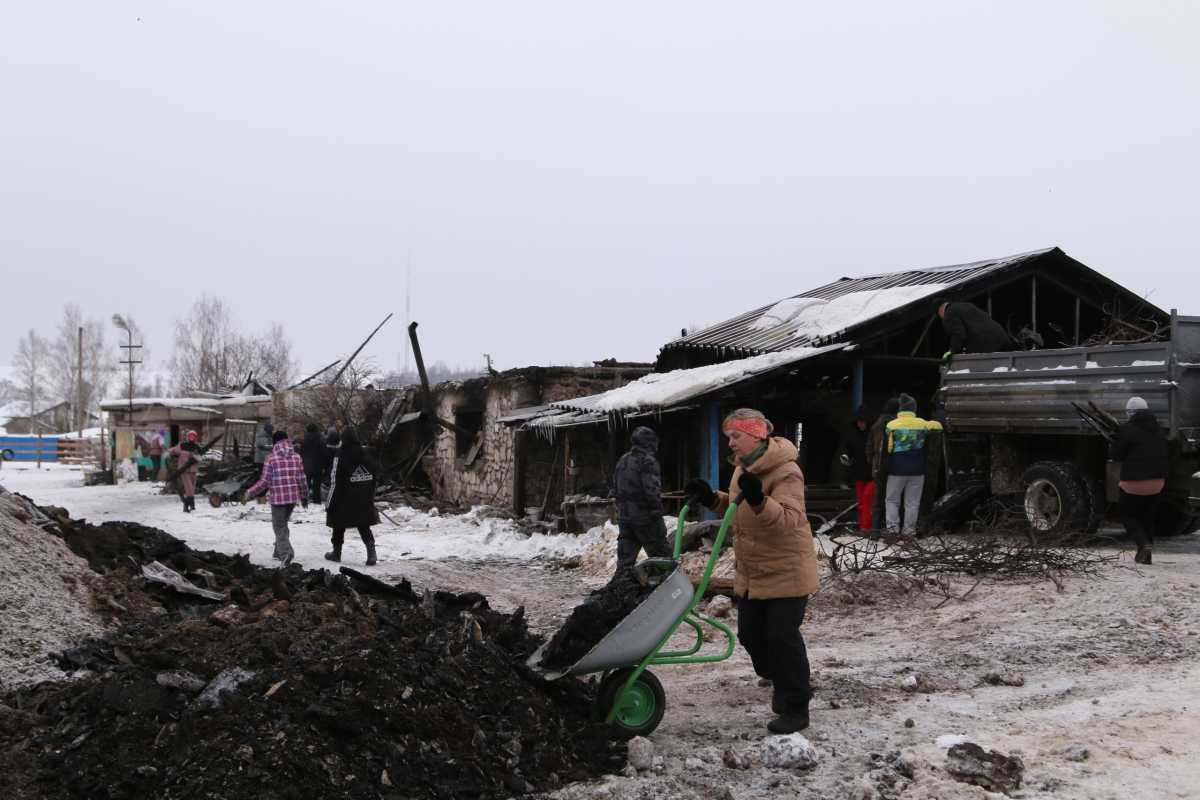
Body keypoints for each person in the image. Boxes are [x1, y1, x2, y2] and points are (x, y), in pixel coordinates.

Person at [684, 408, 819, 735]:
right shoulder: (743, 469)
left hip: (787, 568)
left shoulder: (786, 472)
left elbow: (788, 519)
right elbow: (736, 509)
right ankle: (782, 682)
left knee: (782, 637)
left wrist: (760, 500)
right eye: (728, 437)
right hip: (754, 570)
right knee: (750, 635)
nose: (730, 443)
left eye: (735, 436)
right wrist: (711, 498)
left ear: (757, 435)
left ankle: (797, 705)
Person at [1109, 396, 1167, 565]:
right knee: (1147, 517)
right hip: (1158, 482)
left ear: (1130, 413)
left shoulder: (1126, 430)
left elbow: (1116, 456)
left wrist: (1114, 441)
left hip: (1133, 483)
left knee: (1128, 515)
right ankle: (1146, 557)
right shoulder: (1159, 429)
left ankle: (1143, 544)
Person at [244, 430, 309, 564]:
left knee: (279, 527)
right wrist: (304, 496)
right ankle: (278, 552)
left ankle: (286, 553)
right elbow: (302, 479)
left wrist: (250, 492)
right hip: (292, 499)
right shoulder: (297, 457)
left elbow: (265, 482)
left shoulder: (271, 458)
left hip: (278, 499)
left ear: (274, 442)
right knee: (282, 526)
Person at [613, 426, 672, 569]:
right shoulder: (647, 461)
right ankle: (668, 588)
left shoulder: (622, 460)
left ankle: (621, 588)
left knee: (625, 562)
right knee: (662, 558)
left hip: (625, 518)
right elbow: (651, 490)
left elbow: (615, 487)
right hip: (645, 518)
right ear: (650, 443)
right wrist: (657, 514)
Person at [884, 394, 943, 536]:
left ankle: (892, 530)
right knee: (912, 503)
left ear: (901, 409)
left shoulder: (891, 425)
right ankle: (909, 532)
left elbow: (888, 446)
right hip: (918, 470)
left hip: (897, 469)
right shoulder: (922, 424)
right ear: (913, 409)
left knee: (892, 500)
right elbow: (938, 427)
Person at [324, 428, 379, 566]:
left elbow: (335, 481)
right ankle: (372, 553)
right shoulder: (368, 453)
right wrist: (370, 494)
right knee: (364, 525)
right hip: (363, 498)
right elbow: (375, 475)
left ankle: (336, 553)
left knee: (338, 525)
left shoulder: (340, 455)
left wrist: (329, 503)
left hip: (344, 499)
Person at [935, 298, 1013, 360]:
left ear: (940, 309)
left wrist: (951, 351)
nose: (941, 317)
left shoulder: (949, 313)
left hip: (986, 347)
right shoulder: (966, 305)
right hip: (1002, 339)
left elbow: (958, 334)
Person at [841, 406, 875, 531]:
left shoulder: (873, 434)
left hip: (872, 474)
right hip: (859, 474)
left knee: (866, 500)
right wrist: (846, 457)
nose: (860, 424)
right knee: (862, 503)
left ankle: (866, 528)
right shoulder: (852, 435)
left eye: (863, 421)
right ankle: (864, 527)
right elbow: (847, 451)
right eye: (858, 421)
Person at [869, 398, 900, 531]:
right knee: (894, 498)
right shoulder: (897, 424)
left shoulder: (877, 424)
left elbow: (869, 446)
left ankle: (876, 529)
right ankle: (892, 528)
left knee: (878, 499)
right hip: (894, 467)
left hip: (878, 466)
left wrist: (872, 461)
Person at [167, 430, 202, 513]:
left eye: (193, 436)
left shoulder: (197, 447)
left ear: (196, 437)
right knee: (189, 488)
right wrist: (167, 453)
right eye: (190, 436)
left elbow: (200, 458)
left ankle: (189, 504)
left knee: (192, 488)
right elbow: (173, 450)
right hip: (184, 470)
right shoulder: (182, 445)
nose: (191, 438)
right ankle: (188, 505)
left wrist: (197, 456)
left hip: (193, 470)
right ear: (187, 437)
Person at [300, 423, 329, 504]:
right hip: (318, 466)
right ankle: (317, 501)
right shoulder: (321, 440)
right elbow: (325, 454)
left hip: (306, 466)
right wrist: (325, 466)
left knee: (306, 484)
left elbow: (301, 453)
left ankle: (304, 500)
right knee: (317, 485)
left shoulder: (304, 441)